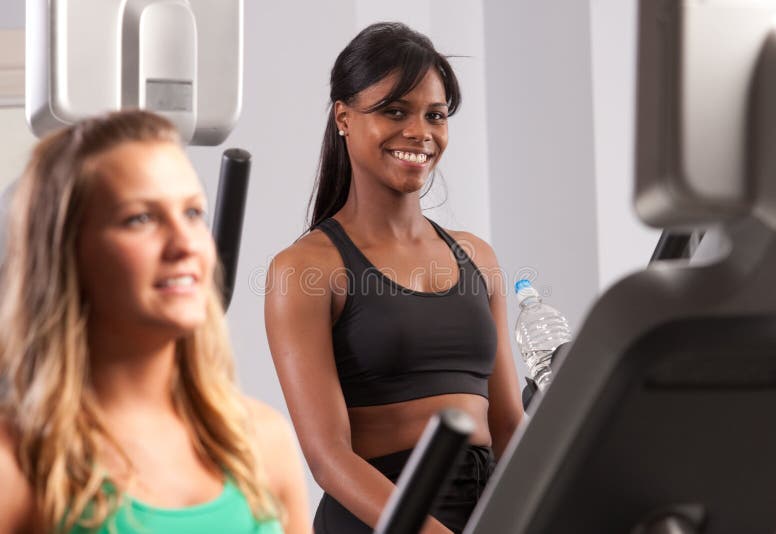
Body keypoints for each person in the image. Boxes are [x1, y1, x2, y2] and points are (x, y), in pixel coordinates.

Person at [264, 22, 524, 534]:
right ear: (344, 117)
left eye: (435, 115)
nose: (420, 132)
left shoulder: (478, 257)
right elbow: (328, 457)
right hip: (379, 518)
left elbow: (509, 424)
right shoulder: (306, 268)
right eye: (395, 111)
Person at [0, 110, 311, 534]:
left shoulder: (263, 443)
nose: (185, 244)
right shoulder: (16, 465)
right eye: (140, 219)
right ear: (66, 253)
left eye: (193, 213)